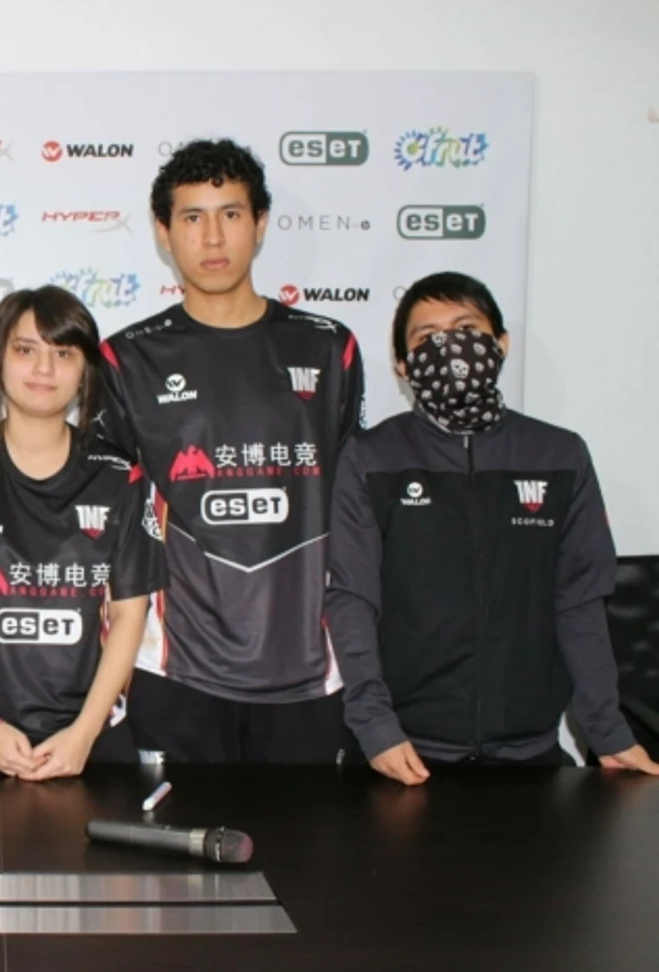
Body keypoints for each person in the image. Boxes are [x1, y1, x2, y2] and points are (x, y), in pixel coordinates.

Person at [325, 271, 659, 782]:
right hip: (401, 755)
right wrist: (375, 727)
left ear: (500, 344)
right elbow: (352, 599)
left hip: (531, 755)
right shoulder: (372, 458)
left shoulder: (559, 455)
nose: (450, 349)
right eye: (428, 337)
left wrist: (607, 731)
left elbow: (580, 602)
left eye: (467, 329)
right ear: (402, 365)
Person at [97, 138, 365, 764]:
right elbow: (108, 529)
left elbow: (356, 514)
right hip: (176, 675)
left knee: (308, 834)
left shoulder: (329, 348)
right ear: (164, 232)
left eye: (231, 214)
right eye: (192, 217)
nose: (213, 237)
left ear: (261, 224)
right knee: (176, 835)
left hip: (310, 673)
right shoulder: (127, 358)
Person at [0, 287, 166, 778]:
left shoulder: (120, 475)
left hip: (92, 738)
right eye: (26, 350)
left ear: (85, 370)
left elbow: (129, 616)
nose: (44, 369)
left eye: (63, 353)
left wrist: (84, 733)